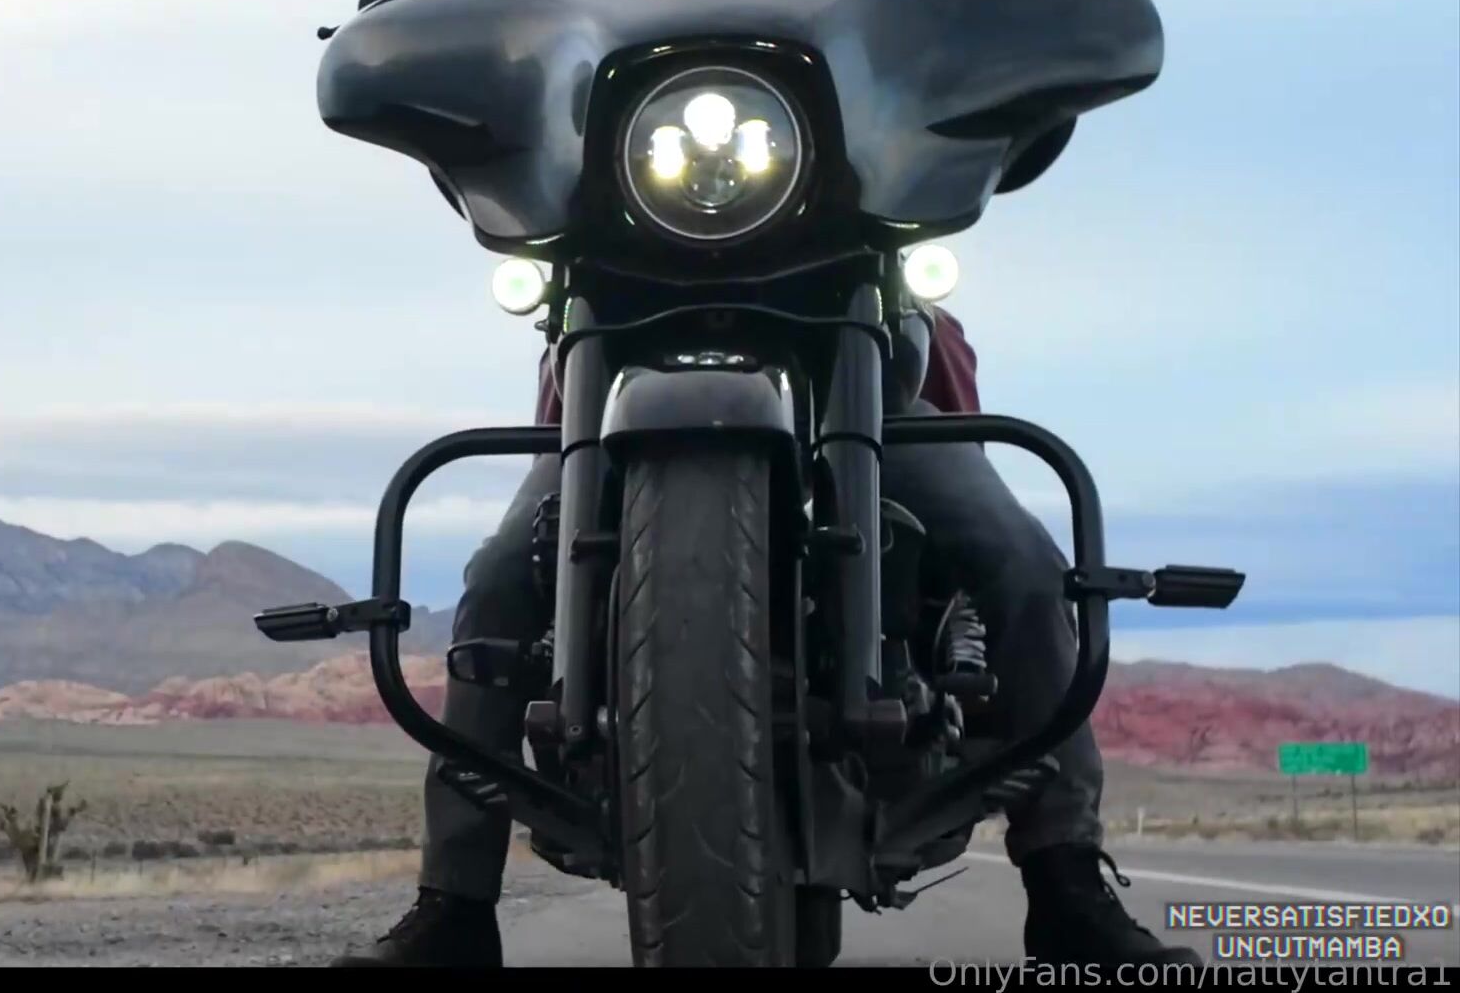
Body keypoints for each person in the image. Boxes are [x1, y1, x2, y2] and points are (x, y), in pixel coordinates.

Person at [331, 306, 1200, 969]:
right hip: (616, 372)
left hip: (871, 376)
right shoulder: (590, 111)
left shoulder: (870, 111)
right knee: (498, 581)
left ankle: (1065, 880)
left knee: (1023, 565)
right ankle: (455, 904)